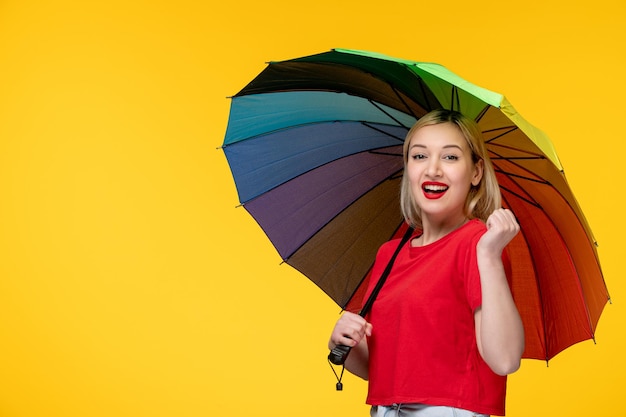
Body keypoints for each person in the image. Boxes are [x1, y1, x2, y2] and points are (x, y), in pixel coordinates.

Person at [328, 109, 525, 417]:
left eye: (450, 157)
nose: (432, 170)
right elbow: (377, 368)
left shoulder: (478, 244)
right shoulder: (389, 253)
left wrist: (489, 256)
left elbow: (505, 360)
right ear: (408, 167)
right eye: (419, 156)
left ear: (476, 172)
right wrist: (343, 340)